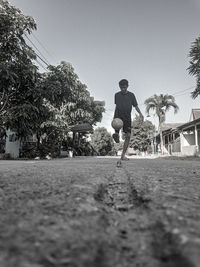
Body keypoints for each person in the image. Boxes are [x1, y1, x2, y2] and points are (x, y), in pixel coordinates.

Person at [112, 79, 144, 161]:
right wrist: (114, 117)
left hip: (127, 117)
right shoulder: (116, 95)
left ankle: (123, 155)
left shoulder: (131, 95)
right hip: (118, 115)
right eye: (121, 87)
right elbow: (117, 106)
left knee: (128, 135)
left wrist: (140, 113)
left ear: (127, 86)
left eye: (124, 87)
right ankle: (116, 134)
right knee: (117, 126)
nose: (123, 89)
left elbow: (135, 106)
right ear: (119, 87)